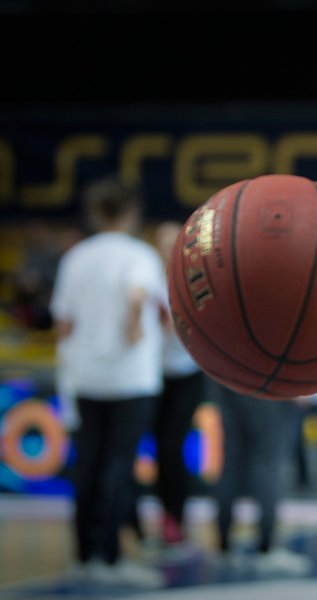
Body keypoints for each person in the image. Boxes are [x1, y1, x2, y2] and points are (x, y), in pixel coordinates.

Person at [49, 176, 167, 589]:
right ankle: (112, 557)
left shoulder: (76, 257)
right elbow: (139, 295)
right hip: (130, 378)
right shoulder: (140, 255)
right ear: (132, 211)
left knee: (88, 465)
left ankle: (84, 554)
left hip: (86, 376)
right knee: (120, 465)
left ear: (96, 213)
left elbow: (62, 324)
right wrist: (133, 324)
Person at [210, 380, 313, 576]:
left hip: (225, 373)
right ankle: (267, 548)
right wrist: (300, 383)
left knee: (231, 456)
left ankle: (223, 545)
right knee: (268, 459)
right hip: (268, 378)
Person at [151, 220, 211, 548]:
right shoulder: (146, 278)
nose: (167, 247)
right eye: (162, 242)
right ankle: (153, 520)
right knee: (156, 448)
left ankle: (175, 518)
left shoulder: (197, 280)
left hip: (186, 373)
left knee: (173, 447)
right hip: (151, 374)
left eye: (173, 241)